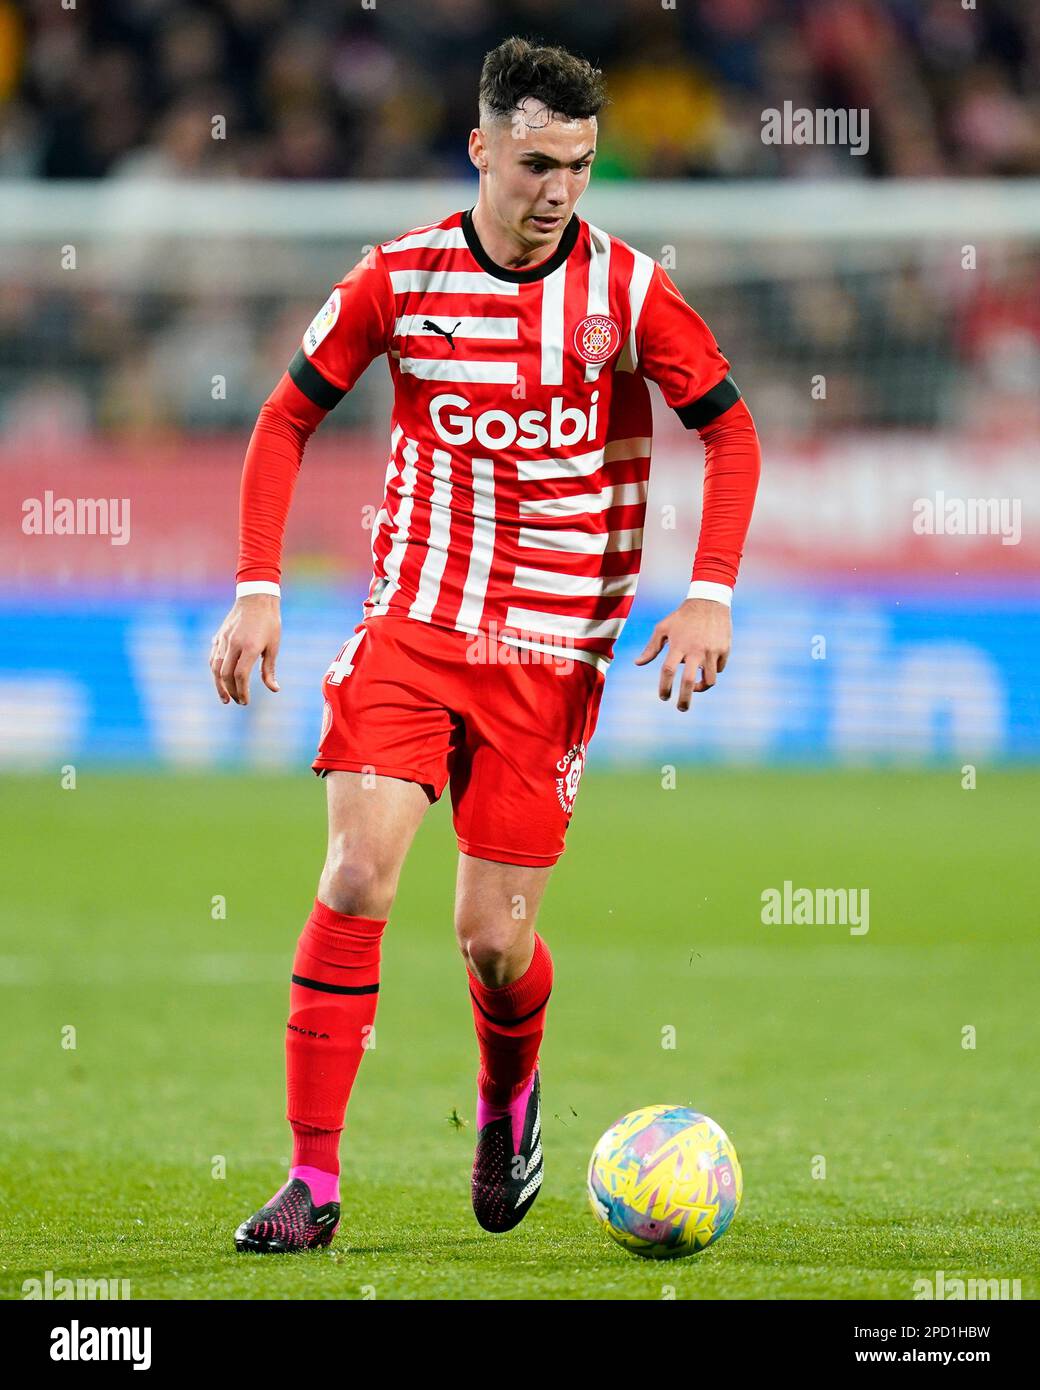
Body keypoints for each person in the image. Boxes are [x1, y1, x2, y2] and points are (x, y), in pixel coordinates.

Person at [209, 36, 761, 1253]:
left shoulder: (626, 293)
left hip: (553, 648)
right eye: (531, 163)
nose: (554, 189)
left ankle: (507, 1100)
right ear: (479, 149)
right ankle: (313, 1180)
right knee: (358, 871)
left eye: (574, 165)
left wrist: (710, 588)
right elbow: (285, 415)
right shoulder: (398, 276)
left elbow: (731, 435)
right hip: (412, 621)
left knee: (491, 940)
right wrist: (258, 586)